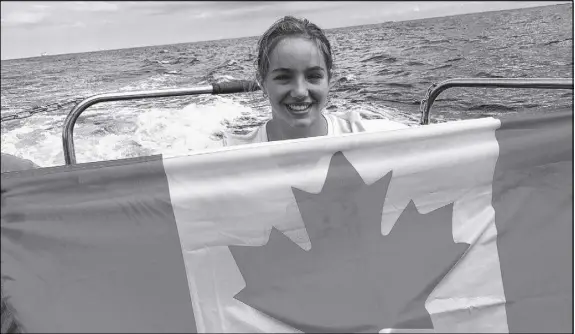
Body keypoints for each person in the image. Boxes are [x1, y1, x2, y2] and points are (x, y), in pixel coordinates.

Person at [223, 16, 373, 146]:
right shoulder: (231, 155)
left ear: (330, 79)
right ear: (262, 82)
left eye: (313, 76)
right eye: (283, 77)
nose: (300, 91)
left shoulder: (367, 137)